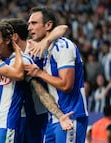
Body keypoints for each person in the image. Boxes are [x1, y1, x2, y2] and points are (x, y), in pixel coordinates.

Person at [24, 6, 89, 143]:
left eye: (34, 23)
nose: (29, 27)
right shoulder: (45, 51)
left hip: (71, 115)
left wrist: (39, 73)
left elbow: (66, 85)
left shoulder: (63, 46)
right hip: (54, 117)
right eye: (29, 23)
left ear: (48, 25)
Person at [2, 18, 70, 143]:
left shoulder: (35, 49)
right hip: (19, 113)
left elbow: (63, 28)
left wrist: (45, 41)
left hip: (40, 111)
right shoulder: (6, 57)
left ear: (14, 37)